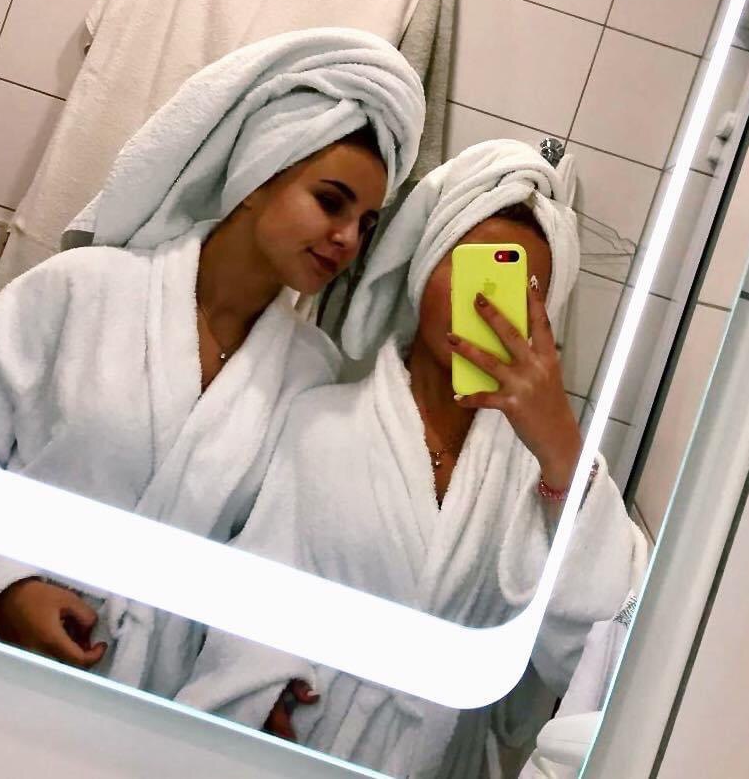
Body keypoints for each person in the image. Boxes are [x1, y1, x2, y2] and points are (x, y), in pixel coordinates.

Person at [0, 27, 425, 698]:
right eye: (330, 202)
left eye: (367, 223)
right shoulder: (84, 288)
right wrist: (3, 582)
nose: (348, 238)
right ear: (259, 176)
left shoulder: (311, 378)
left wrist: (258, 685)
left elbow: (277, 561)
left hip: (148, 704)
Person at [176, 140, 648, 778]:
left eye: (520, 286)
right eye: (472, 268)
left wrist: (563, 449)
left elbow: (601, 661)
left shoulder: (547, 473)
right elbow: (251, 590)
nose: (487, 303)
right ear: (424, 268)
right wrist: (258, 689)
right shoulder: (320, 422)